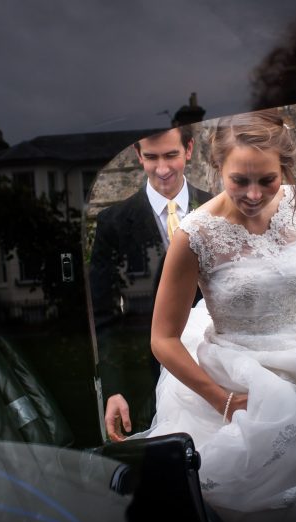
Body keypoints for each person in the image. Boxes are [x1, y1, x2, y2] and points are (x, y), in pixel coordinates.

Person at [127, 109, 296, 522]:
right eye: (240, 180)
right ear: (218, 167)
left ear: (285, 171)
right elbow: (163, 339)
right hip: (244, 382)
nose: (254, 194)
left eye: (267, 180)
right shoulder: (194, 237)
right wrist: (223, 400)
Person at [89, 125, 212, 441]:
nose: (162, 169)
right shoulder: (112, 223)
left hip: (215, 369)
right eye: (151, 157)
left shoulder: (219, 208)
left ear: (188, 149)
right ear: (137, 155)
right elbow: (105, 317)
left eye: (171, 155)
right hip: (145, 385)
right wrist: (114, 389)